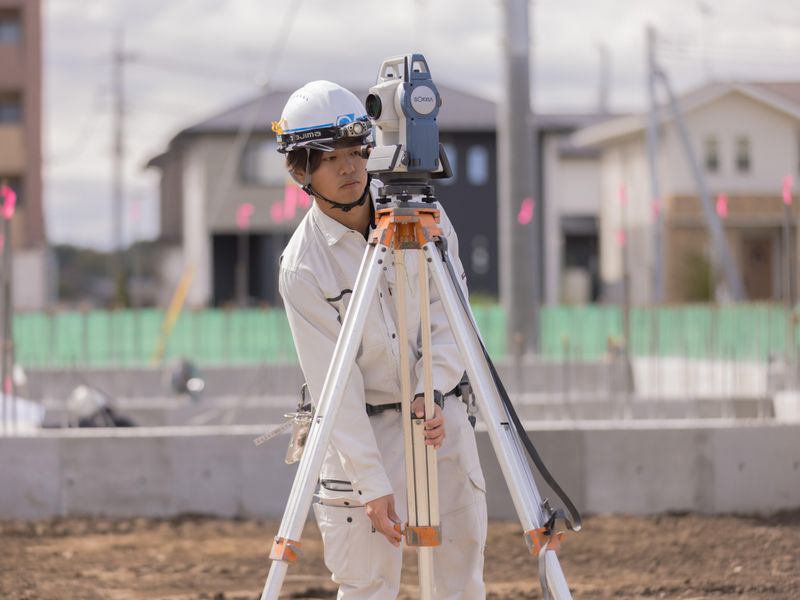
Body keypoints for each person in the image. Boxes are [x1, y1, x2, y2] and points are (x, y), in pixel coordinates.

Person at [274, 80, 487, 599]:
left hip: (437, 417)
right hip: (360, 434)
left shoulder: (423, 217)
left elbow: (450, 315)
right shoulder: (303, 267)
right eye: (330, 158)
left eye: (355, 152)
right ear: (301, 169)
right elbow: (333, 384)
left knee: (459, 578)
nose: (349, 168)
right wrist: (370, 483)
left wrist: (433, 388)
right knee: (366, 585)